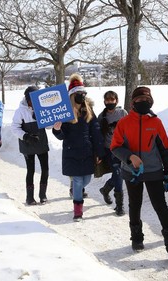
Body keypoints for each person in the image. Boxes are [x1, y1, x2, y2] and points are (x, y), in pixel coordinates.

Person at [111, 87, 168, 263]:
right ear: (133, 103)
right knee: (135, 204)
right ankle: (136, 238)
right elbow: (115, 147)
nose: (144, 102)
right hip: (132, 171)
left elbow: (165, 148)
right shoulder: (124, 123)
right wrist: (130, 157)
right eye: (139, 100)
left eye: (147, 100)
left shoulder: (155, 122)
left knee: (161, 206)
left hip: (153, 171)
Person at [53, 73, 105, 221]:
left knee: (86, 180)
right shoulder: (64, 112)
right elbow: (62, 135)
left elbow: (95, 131)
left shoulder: (88, 110)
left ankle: (77, 190)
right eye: (78, 94)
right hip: (71, 152)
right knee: (77, 180)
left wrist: (99, 151)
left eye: (83, 93)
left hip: (87, 152)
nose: (82, 96)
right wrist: (57, 129)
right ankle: (78, 210)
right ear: (72, 95)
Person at [11, 86, 49, 205]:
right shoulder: (21, 111)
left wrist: (54, 123)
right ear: (27, 99)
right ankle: (29, 197)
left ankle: (43, 195)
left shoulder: (41, 108)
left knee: (45, 169)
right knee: (31, 170)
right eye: (33, 100)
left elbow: (48, 125)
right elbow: (14, 127)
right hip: (27, 144)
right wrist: (26, 136)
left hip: (41, 141)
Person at [97, 90, 128, 216]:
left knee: (118, 174)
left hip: (122, 148)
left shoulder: (122, 113)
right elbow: (98, 135)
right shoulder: (101, 116)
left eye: (112, 100)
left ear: (116, 101)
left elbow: (129, 128)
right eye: (107, 100)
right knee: (118, 174)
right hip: (109, 150)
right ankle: (119, 206)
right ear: (104, 101)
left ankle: (106, 189)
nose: (110, 102)